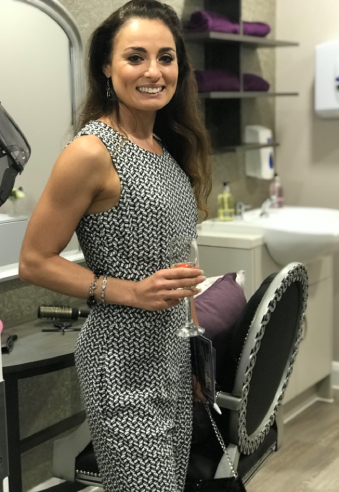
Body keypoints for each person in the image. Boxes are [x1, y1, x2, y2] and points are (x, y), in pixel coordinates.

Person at [18, 1, 212, 490]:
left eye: (166, 58)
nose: (153, 71)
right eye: (135, 57)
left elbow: (178, 264)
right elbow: (34, 261)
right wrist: (129, 292)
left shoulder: (168, 151)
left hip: (170, 357)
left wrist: (191, 353)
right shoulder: (91, 151)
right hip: (119, 364)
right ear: (107, 65)